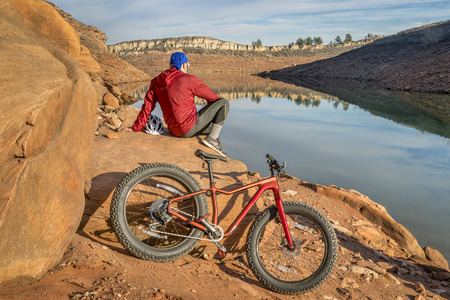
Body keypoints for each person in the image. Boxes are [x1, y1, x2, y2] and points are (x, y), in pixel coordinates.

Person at [122, 52, 229, 156]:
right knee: (224, 103)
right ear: (183, 65)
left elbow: (148, 106)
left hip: (174, 130)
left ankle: (213, 137)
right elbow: (213, 98)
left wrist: (136, 127)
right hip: (189, 127)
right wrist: (210, 118)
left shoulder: (155, 81)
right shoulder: (188, 79)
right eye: (187, 65)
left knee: (212, 130)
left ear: (170, 65)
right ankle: (212, 140)